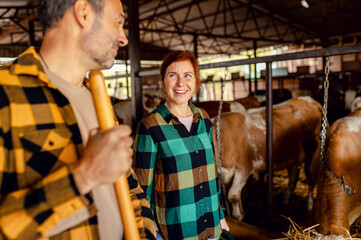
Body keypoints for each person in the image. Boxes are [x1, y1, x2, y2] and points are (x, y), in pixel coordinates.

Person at [0, 0, 156, 239]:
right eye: (118, 23)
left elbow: (131, 189)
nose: (123, 38)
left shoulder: (99, 102)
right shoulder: (5, 94)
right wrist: (84, 175)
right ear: (83, 13)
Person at [133, 51, 229, 240]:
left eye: (187, 75)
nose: (180, 83)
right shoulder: (149, 126)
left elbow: (212, 173)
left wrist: (220, 216)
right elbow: (141, 188)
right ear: (163, 82)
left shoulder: (204, 119)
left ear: (196, 82)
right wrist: (148, 230)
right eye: (172, 75)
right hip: (175, 231)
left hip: (211, 227)